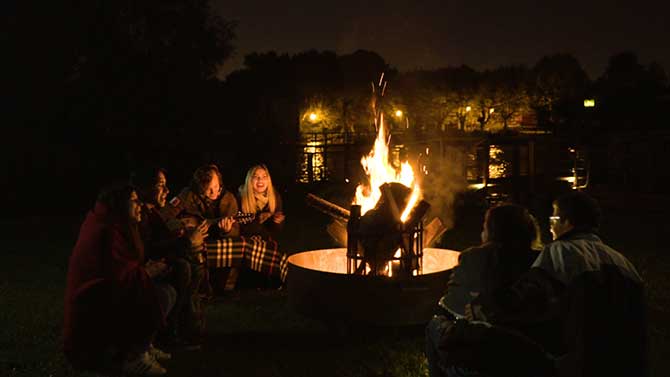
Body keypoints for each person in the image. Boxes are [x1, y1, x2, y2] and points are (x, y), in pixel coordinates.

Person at [460, 192, 647, 377]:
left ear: (567, 222)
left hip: (582, 364)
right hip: (626, 364)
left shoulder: (561, 253)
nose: (550, 226)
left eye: (554, 218)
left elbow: (523, 300)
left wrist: (480, 309)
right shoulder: (622, 262)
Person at [63, 185, 174, 376]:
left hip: (107, 294)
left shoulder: (116, 224)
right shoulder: (106, 230)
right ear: (119, 205)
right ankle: (134, 357)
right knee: (162, 294)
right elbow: (116, 276)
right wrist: (147, 272)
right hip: (94, 302)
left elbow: (126, 267)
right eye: (134, 200)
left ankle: (144, 345)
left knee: (167, 288)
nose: (140, 205)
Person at [426, 203, 542, 377]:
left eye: (484, 226)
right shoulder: (539, 259)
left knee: (434, 325)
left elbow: (453, 305)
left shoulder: (472, 258)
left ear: (492, 230)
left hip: (480, 356)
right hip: (528, 356)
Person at [132, 167, 209, 349]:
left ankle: (185, 326)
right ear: (144, 189)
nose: (167, 190)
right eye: (161, 185)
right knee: (185, 267)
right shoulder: (139, 215)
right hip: (143, 273)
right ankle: (175, 330)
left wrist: (180, 235)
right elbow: (148, 249)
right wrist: (184, 241)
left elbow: (161, 236)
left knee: (192, 262)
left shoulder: (151, 214)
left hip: (159, 263)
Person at [237, 164, 285, 241]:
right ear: (249, 180)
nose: (260, 180)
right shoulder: (241, 197)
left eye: (264, 177)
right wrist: (260, 218)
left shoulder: (275, 196)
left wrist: (276, 222)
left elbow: (278, 230)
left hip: (268, 241)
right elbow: (241, 228)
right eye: (256, 177)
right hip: (246, 241)